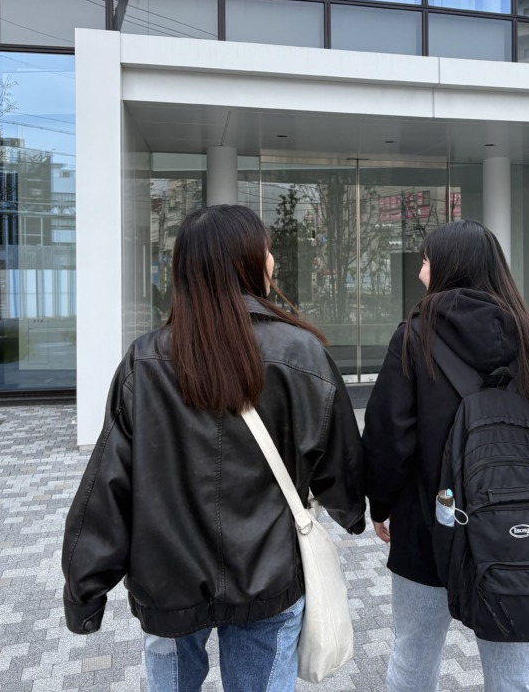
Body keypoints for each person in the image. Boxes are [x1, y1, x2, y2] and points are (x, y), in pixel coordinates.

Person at [61, 204, 366, 692]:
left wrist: (85, 590)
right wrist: (354, 512)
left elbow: (109, 484)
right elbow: (339, 460)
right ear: (248, 261)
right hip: (267, 575)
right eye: (267, 250)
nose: (273, 260)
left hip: (167, 579)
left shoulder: (146, 361)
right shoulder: (302, 354)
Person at [362, 220, 529, 692]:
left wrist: (380, 505)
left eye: (425, 261)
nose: (420, 272)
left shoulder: (413, 338)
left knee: (413, 660)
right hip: (515, 533)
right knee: (513, 677)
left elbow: (387, 438)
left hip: (428, 526)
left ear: (448, 267)